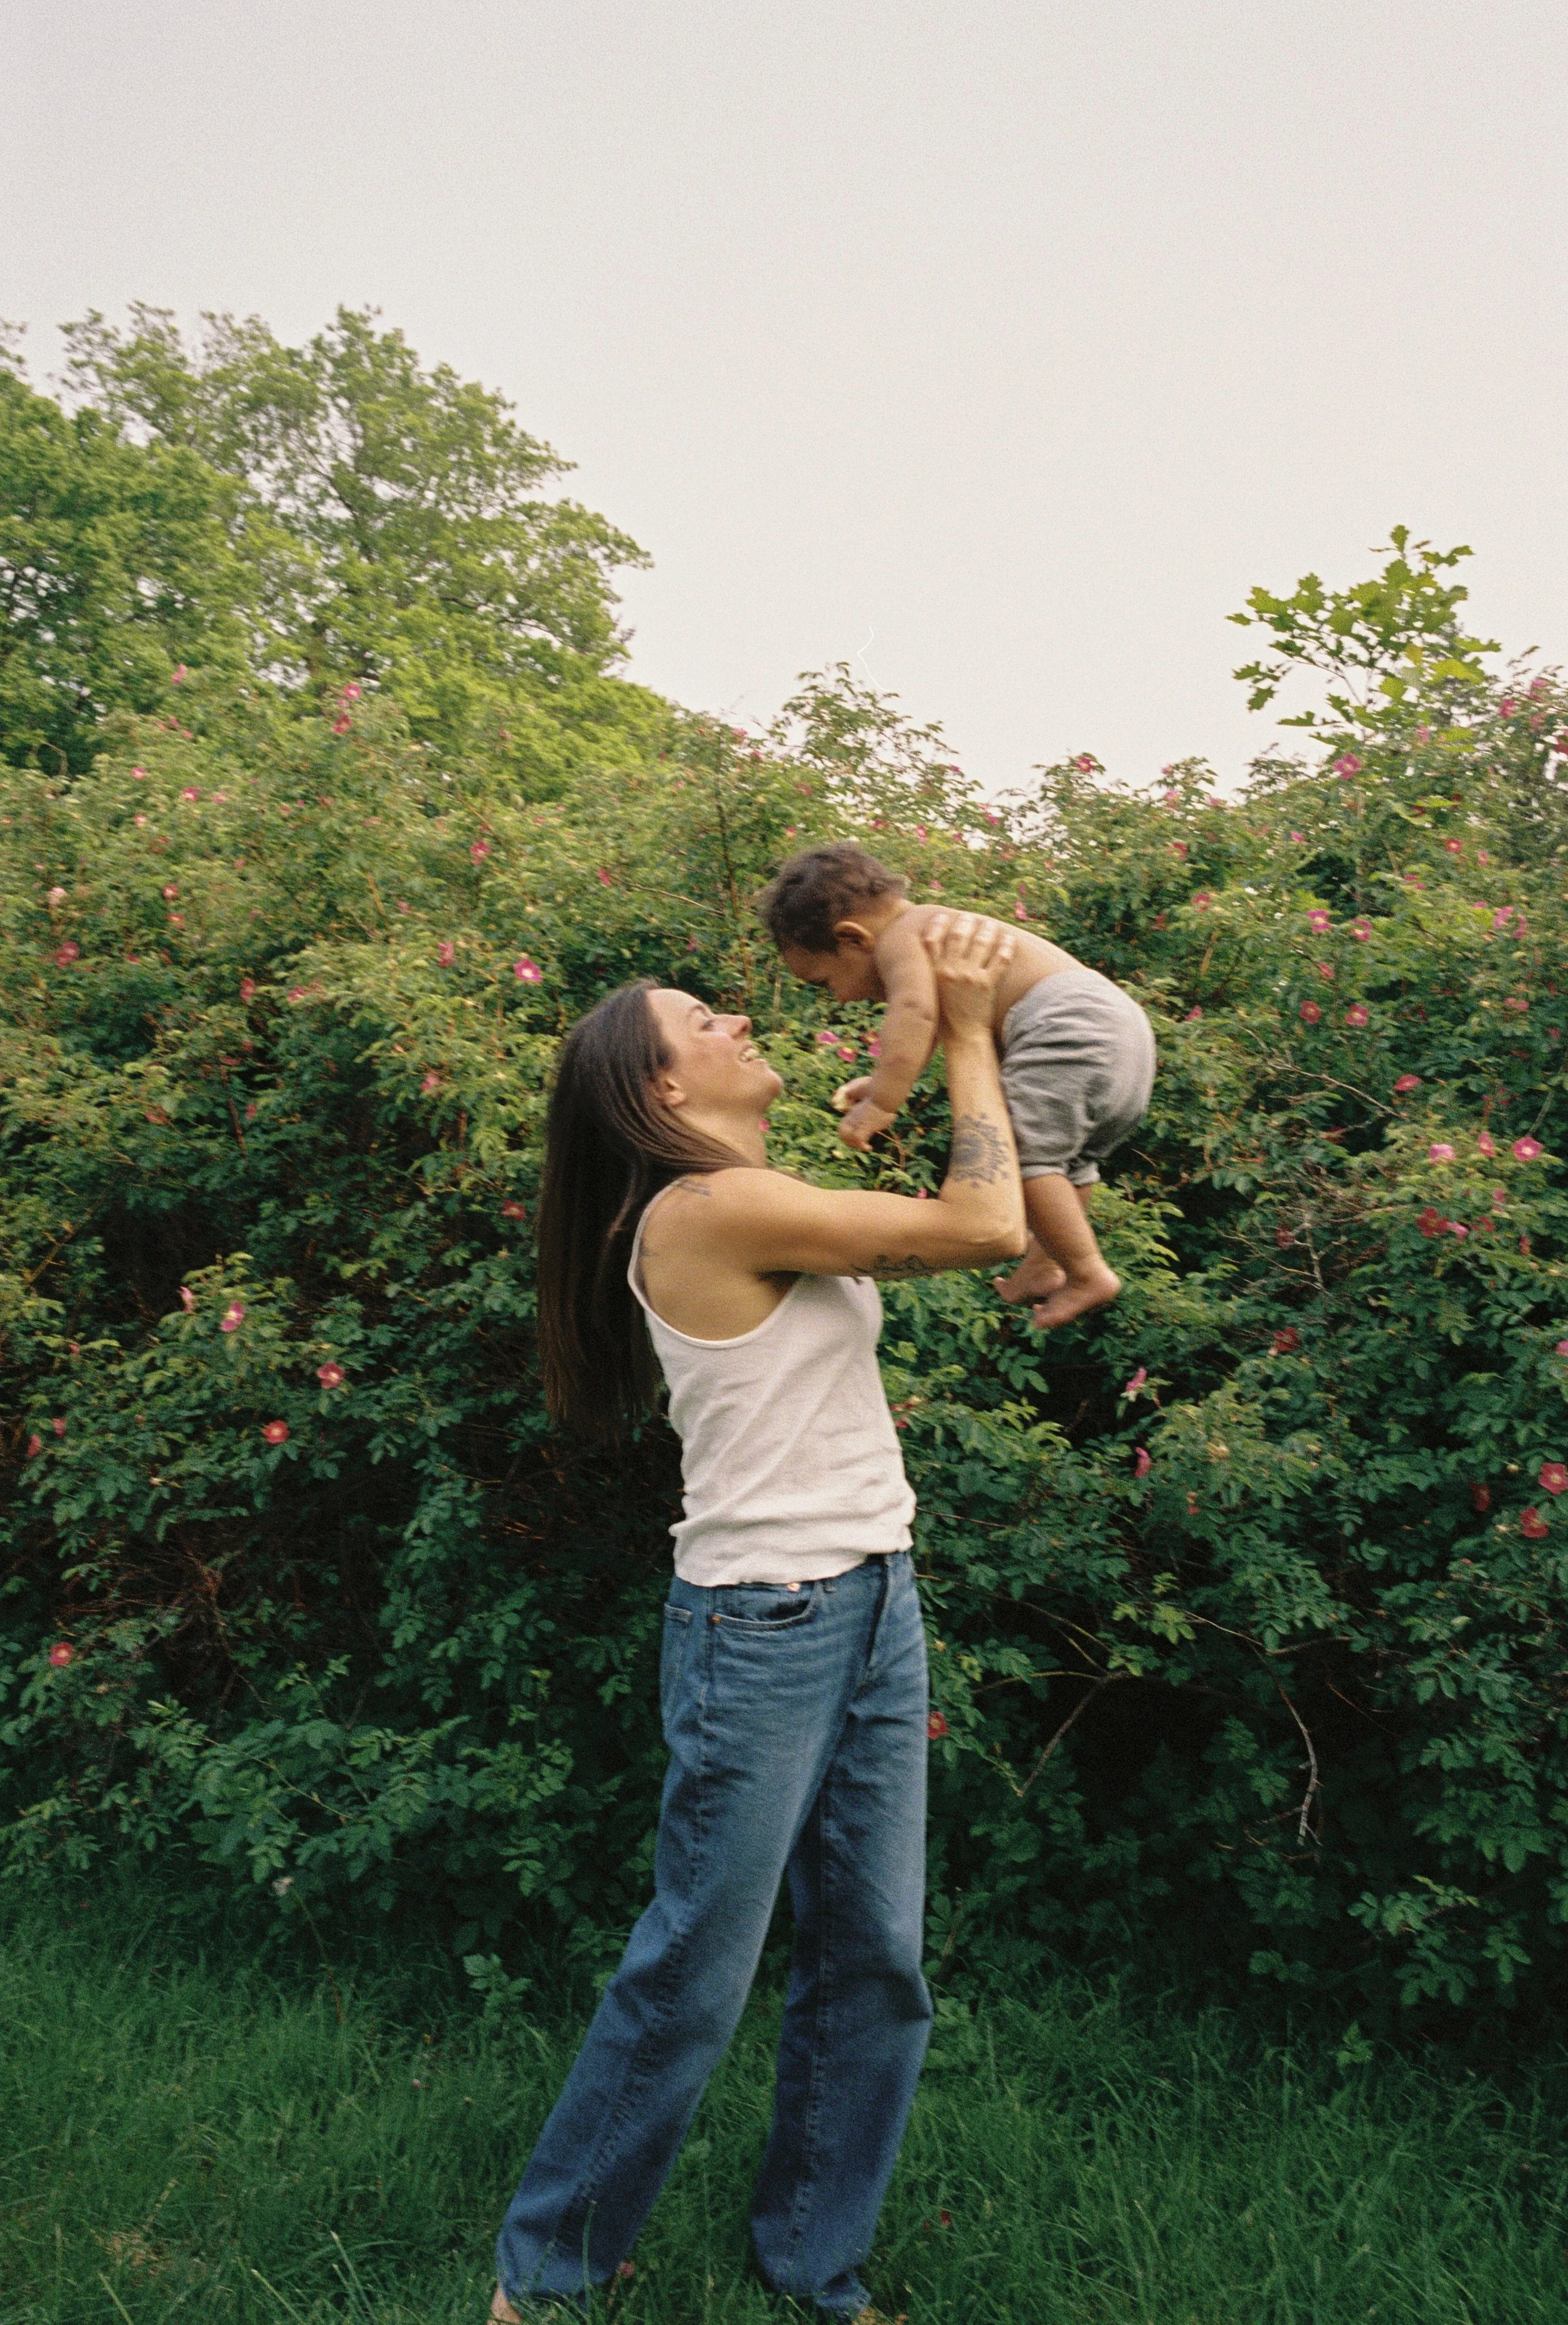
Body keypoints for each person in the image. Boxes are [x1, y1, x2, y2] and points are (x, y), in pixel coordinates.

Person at [490, 913, 1025, 2324]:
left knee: (874, 1955)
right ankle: (542, 2278)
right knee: (695, 1964)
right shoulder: (707, 1210)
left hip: (867, 1592)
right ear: (661, 1089)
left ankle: (808, 2257)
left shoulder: (748, 1188)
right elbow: (983, 1225)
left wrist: (898, 1073)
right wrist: (965, 1024)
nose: (737, 1018)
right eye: (701, 1019)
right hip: (766, 1624)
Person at [760, 842, 1157, 1331]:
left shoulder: (905, 936)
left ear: (853, 938)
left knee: (1022, 1157)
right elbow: (928, 1023)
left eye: (824, 982)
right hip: (1124, 1037)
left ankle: (1087, 1273)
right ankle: (1044, 1260)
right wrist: (880, 1076)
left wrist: (885, 1099)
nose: (839, 998)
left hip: (1069, 1030)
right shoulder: (935, 927)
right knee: (1065, 1162)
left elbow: (914, 1014)